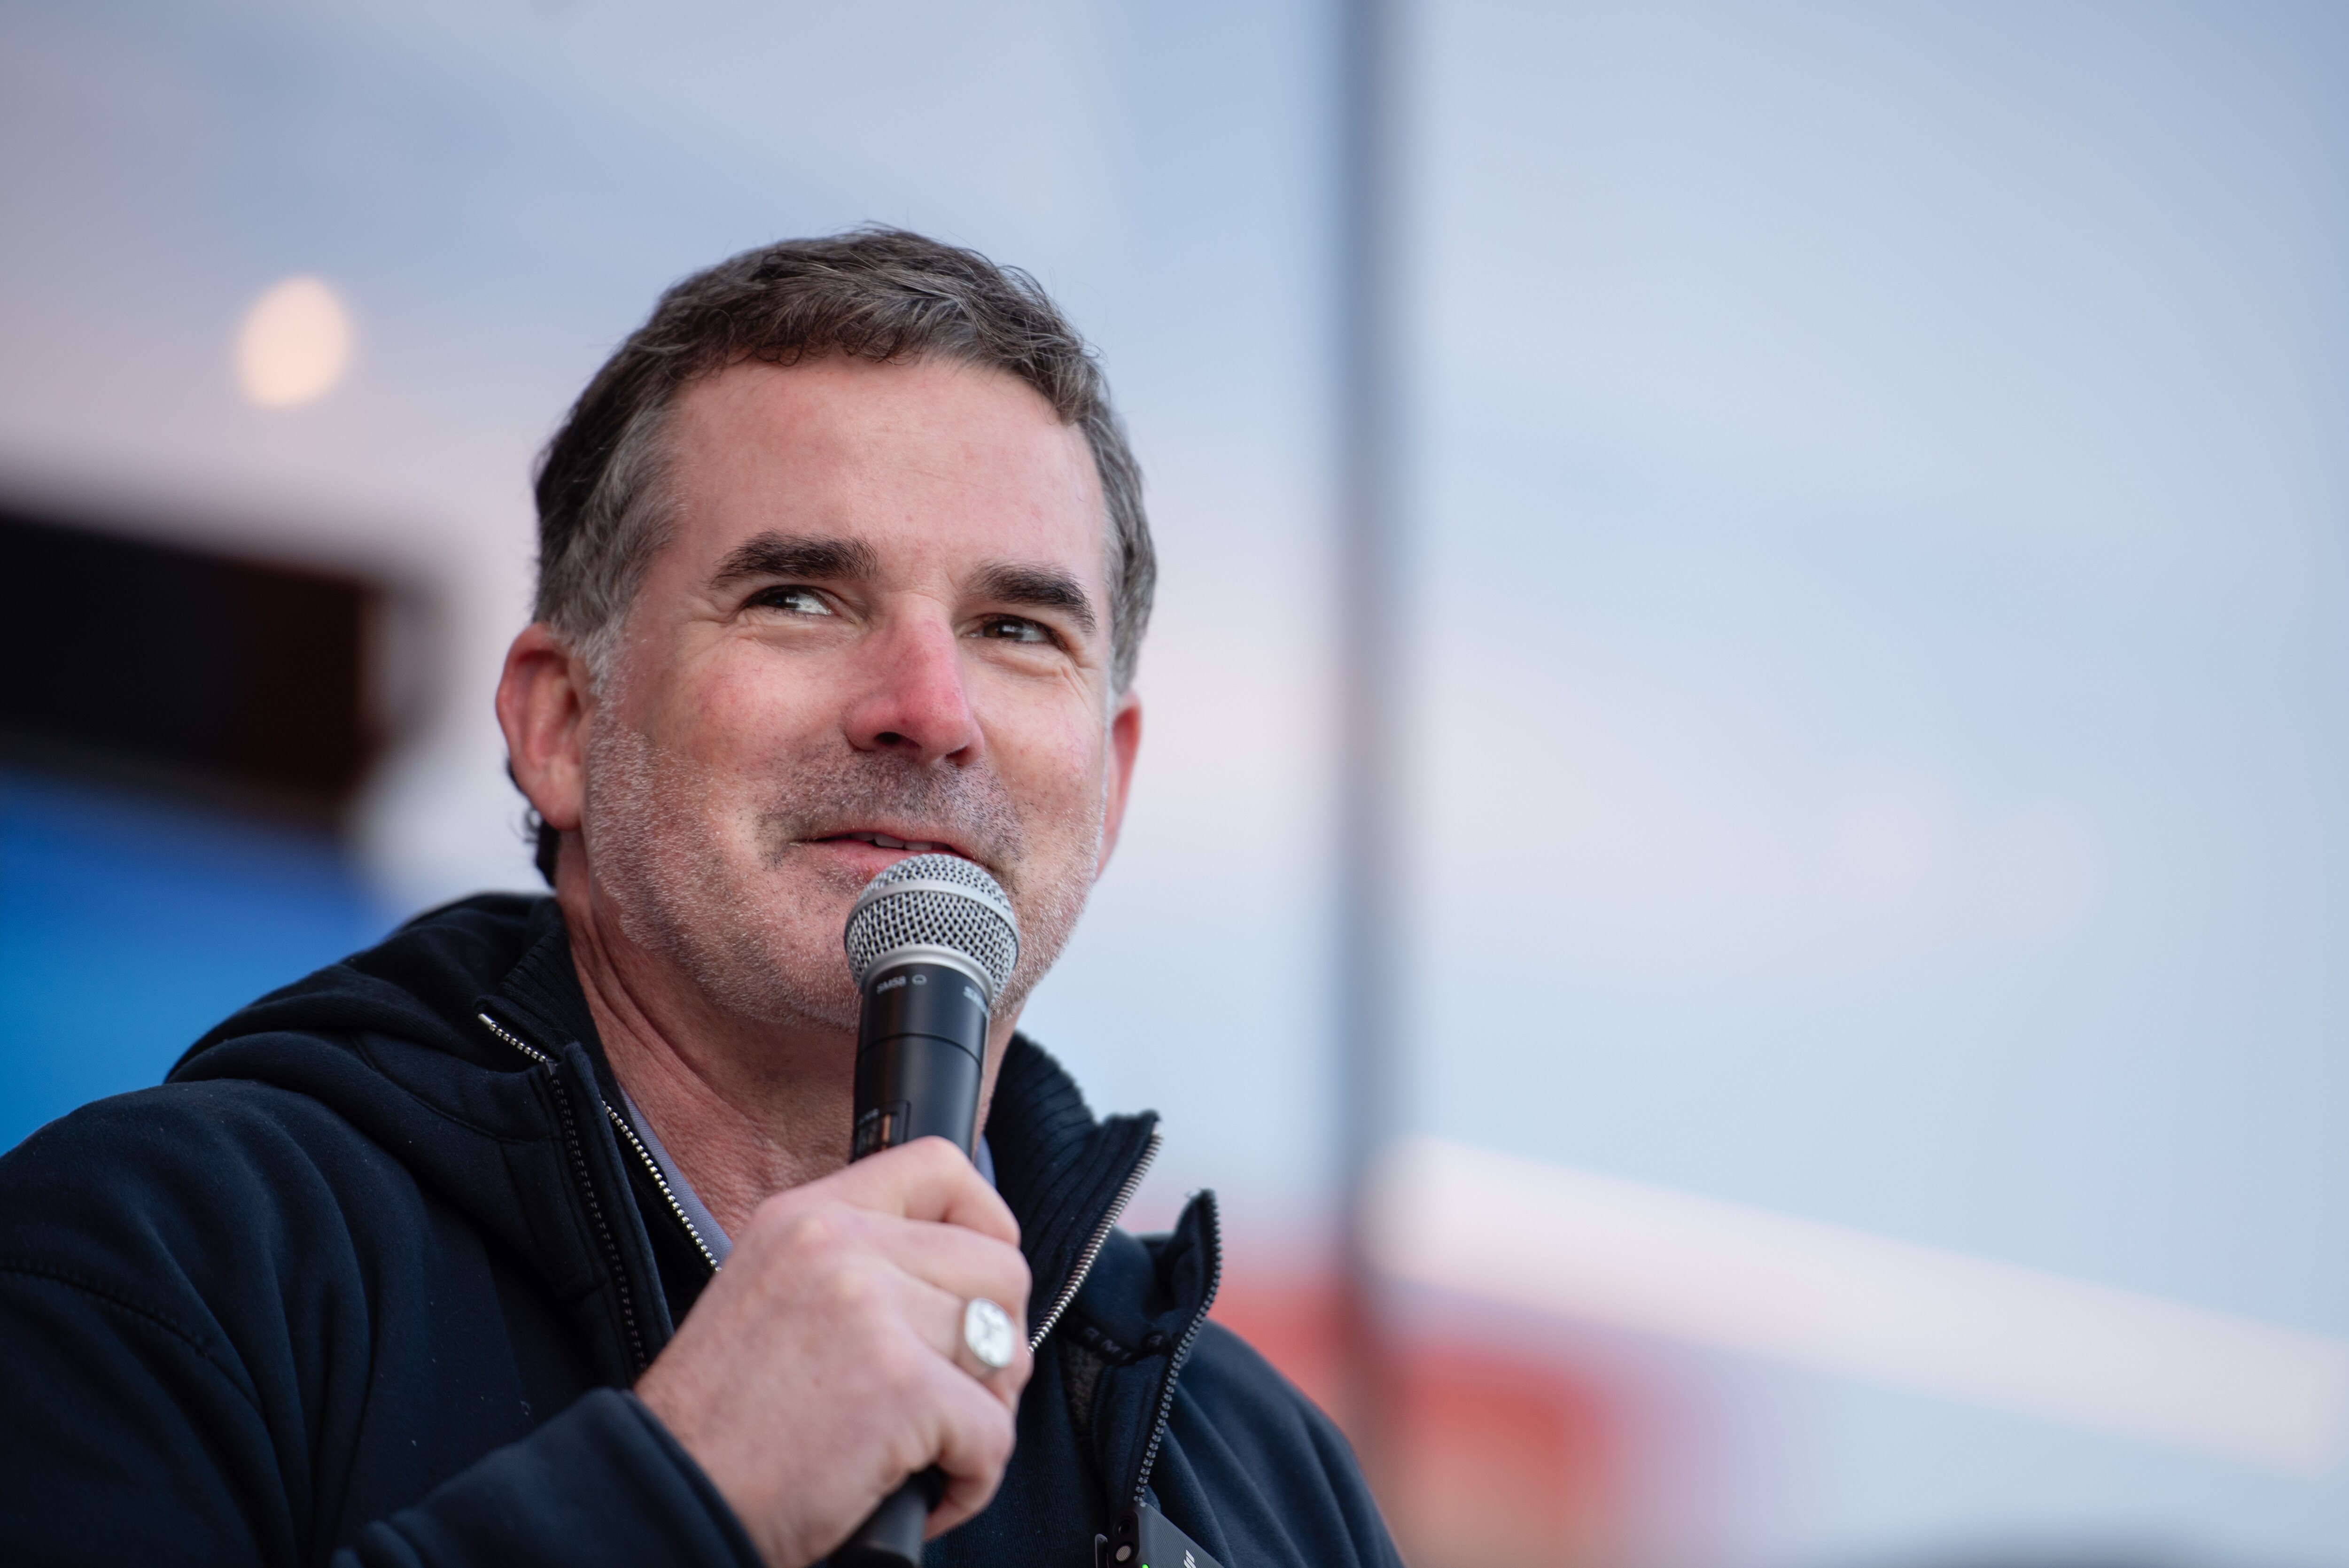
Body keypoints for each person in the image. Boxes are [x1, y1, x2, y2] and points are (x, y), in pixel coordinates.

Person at [0, 229, 1401, 1568]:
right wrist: (686, 1494)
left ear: (1111, 781)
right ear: (560, 722)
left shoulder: (1263, 1480)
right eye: (800, 596)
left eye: (1018, 629)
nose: (929, 709)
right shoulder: (153, 1266)